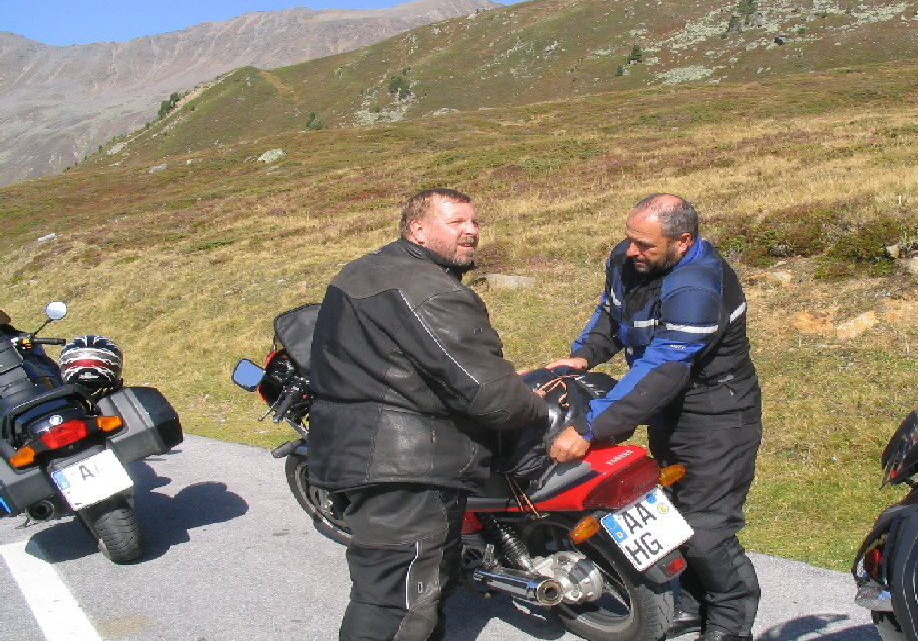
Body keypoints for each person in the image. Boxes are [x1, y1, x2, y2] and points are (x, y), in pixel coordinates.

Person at [307, 188, 549, 641]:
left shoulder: (365, 269)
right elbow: (490, 396)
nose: (472, 231)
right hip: (408, 467)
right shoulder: (429, 289)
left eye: (474, 222)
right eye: (457, 222)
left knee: (409, 592)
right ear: (417, 228)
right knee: (396, 605)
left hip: (360, 452)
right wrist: (540, 408)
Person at [546, 193, 762, 641]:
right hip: (667, 407)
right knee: (668, 515)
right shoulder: (632, 261)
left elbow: (665, 365)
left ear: (683, 241)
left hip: (718, 414)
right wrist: (582, 357)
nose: (631, 252)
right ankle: (688, 604)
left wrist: (590, 427)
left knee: (706, 526)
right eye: (629, 240)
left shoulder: (698, 287)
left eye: (644, 245)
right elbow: (611, 312)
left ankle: (729, 622)